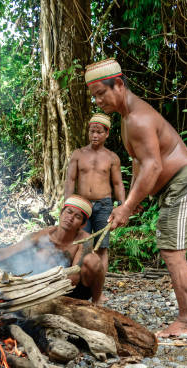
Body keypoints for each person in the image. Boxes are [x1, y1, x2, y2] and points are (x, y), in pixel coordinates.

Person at [85, 58, 187, 336]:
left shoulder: (137, 118)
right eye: (95, 97)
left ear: (118, 84)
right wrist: (132, 202)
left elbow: (154, 166)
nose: (98, 101)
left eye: (101, 94)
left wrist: (127, 207)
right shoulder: (128, 118)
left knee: (172, 251)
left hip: (185, 183)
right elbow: (140, 164)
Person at [0, 195, 105, 304]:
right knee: (25, 258)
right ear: (61, 213)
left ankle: (97, 299)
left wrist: (41, 290)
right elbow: (6, 252)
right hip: (41, 285)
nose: (70, 218)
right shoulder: (41, 236)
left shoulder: (85, 239)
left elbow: (73, 278)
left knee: (93, 260)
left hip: (74, 290)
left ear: (82, 224)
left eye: (77, 217)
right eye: (68, 212)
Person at [64, 112, 126, 281]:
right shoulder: (78, 154)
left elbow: (118, 184)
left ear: (106, 134)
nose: (95, 135)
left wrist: (122, 206)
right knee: (79, 245)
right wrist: (66, 206)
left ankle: (98, 288)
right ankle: (77, 284)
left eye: (99, 132)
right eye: (92, 131)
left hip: (104, 206)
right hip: (81, 207)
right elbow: (70, 180)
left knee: (101, 248)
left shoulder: (112, 157)